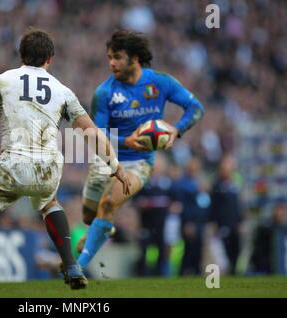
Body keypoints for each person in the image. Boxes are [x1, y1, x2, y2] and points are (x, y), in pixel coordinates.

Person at [0, 28, 130, 291]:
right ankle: (72, 266)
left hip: (13, 164)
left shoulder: (1, 81)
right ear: (50, 59)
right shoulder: (63, 91)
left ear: (20, 54)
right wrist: (116, 167)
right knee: (49, 202)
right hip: (49, 167)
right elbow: (91, 133)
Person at [77, 29, 205, 269]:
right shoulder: (104, 93)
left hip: (140, 163)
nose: (111, 63)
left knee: (108, 204)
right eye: (109, 57)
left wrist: (177, 130)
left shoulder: (160, 82)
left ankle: (78, 266)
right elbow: (94, 135)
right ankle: (103, 228)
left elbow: (195, 108)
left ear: (134, 58)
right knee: (89, 216)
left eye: (117, 57)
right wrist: (127, 141)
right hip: (107, 160)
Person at [209, 154, 243, 275]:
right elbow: (213, 206)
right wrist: (213, 222)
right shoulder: (216, 185)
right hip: (222, 223)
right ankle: (226, 273)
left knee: (236, 250)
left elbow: (238, 205)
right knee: (224, 251)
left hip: (235, 223)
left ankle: (234, 272)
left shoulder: (235, 183)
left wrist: (240, 221)